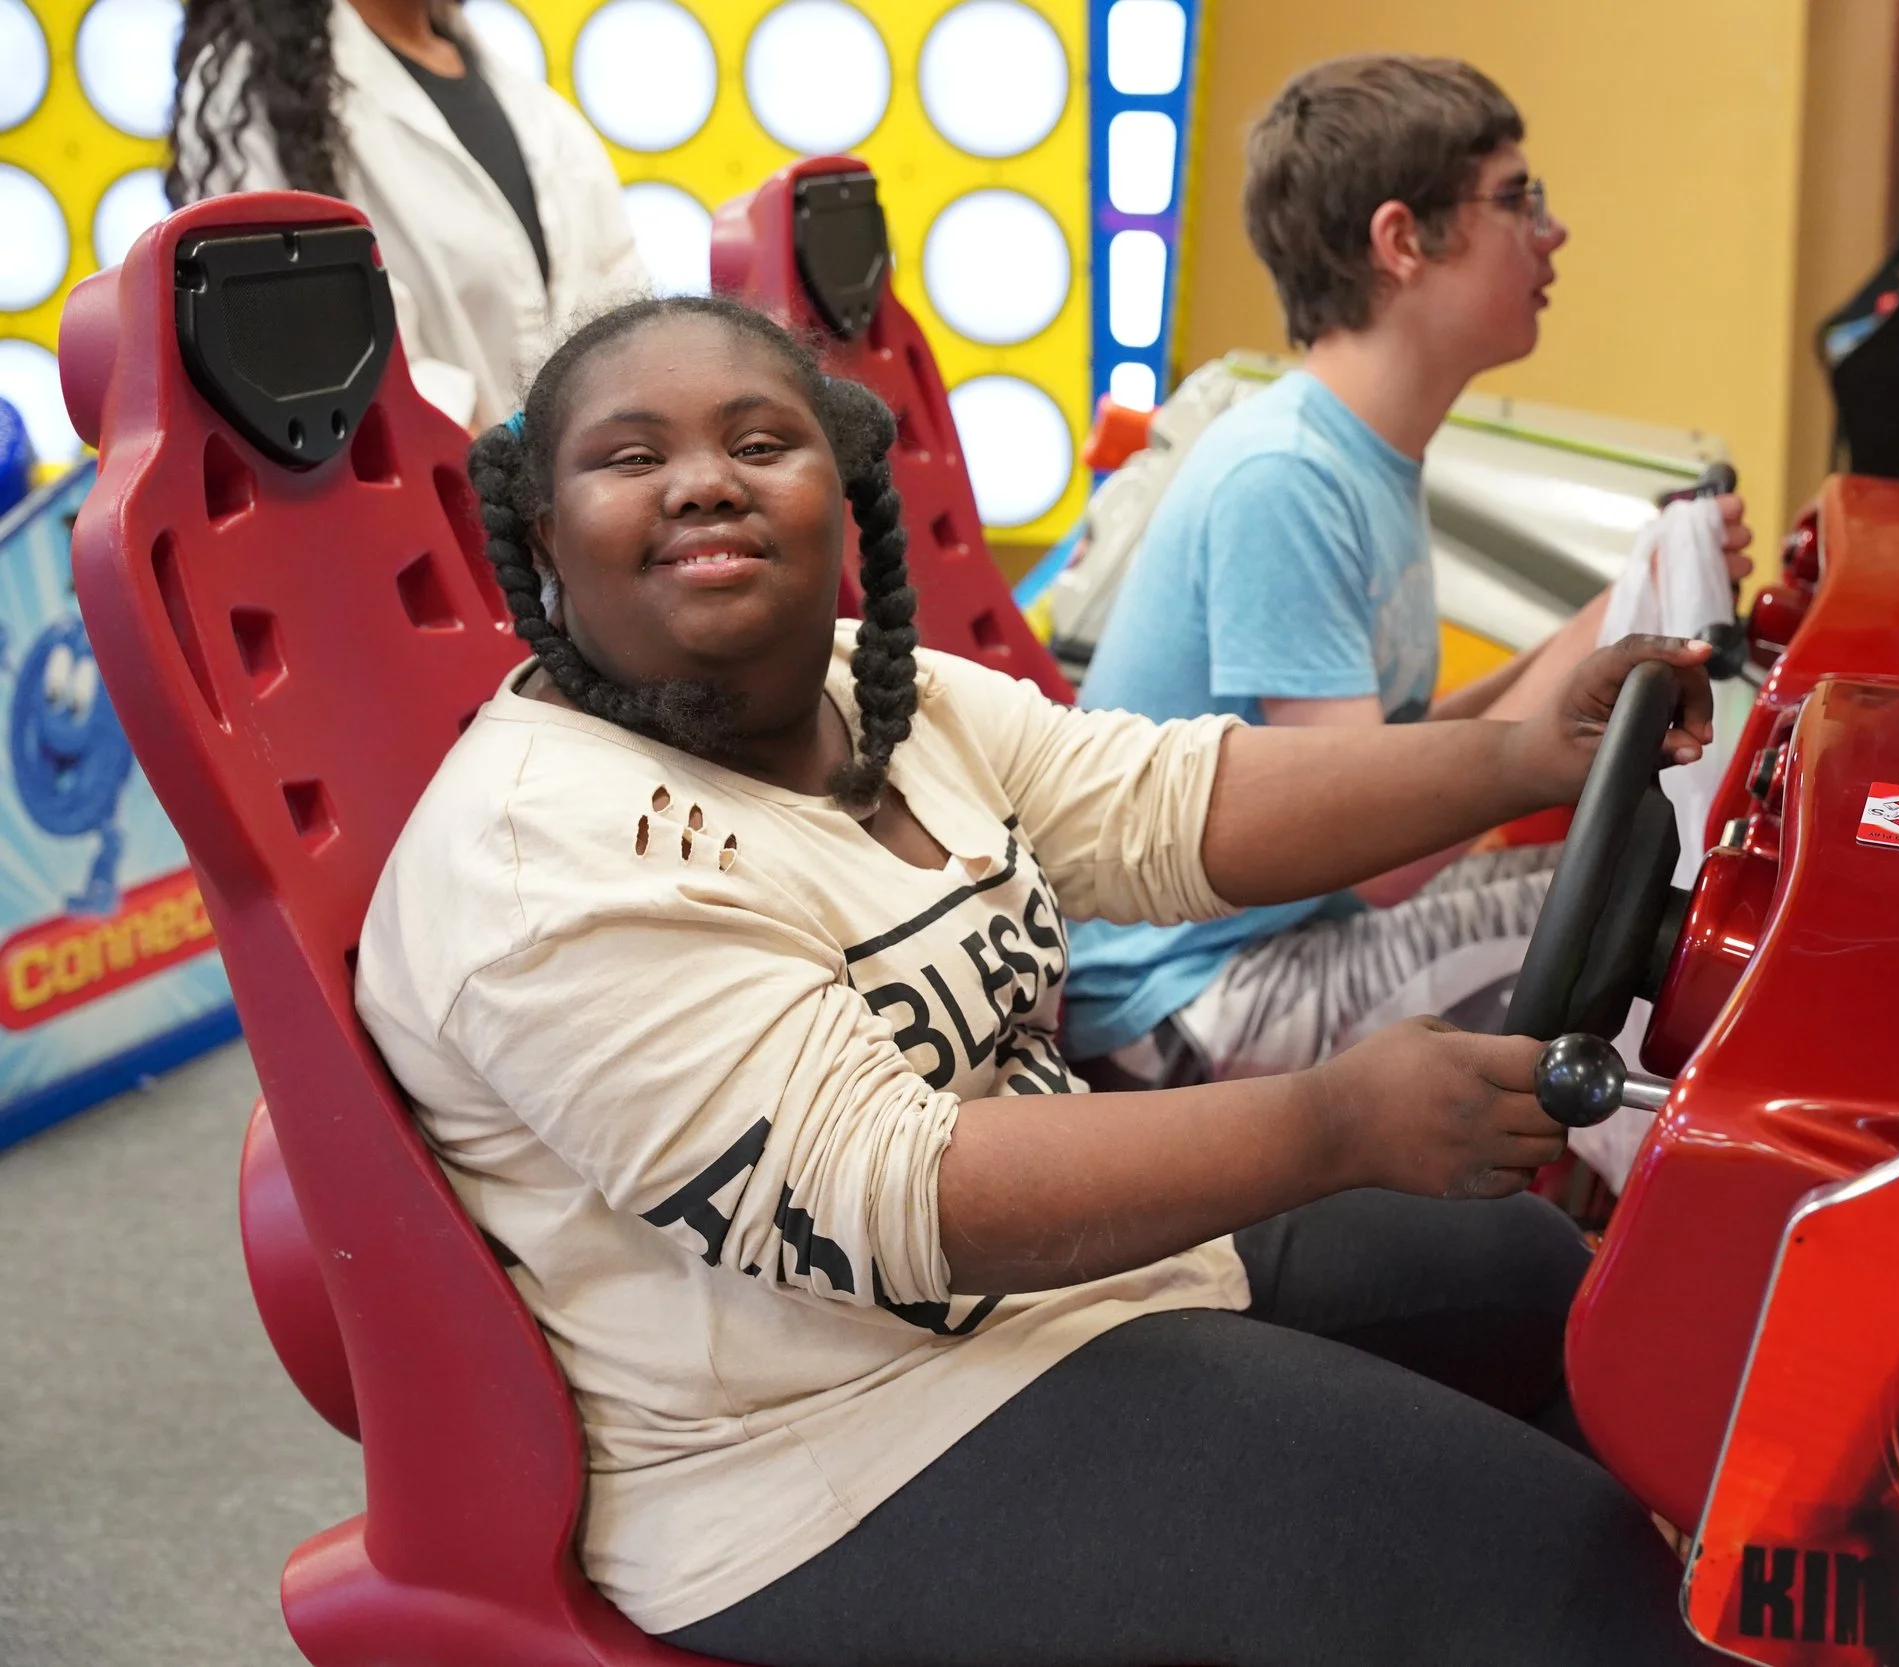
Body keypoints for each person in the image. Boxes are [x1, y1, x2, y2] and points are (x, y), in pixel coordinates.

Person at [353, 293, 1723, 1666]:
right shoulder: (545, 854)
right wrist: (1335, 1121)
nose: (706, 478)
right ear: (546, 534)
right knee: (1541, 1564)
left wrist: (1527, 754)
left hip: (1040, 1301)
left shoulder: (871, 690)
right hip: (821, 1446)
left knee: (1547, 1283)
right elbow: (887, 1196)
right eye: (632, 457)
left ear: (838, 489)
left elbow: (1171, 804)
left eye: (760, 440)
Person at [1065, 55, 1753, 1084]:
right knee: (1662, 927)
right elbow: (1377, 855)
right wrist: (1605, 621)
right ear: (1401, 242)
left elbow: (1393, 756)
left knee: (1644, 898)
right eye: (1518, 198)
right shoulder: (1284, 475)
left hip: (1280, 942)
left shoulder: (1360, 452)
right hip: (1183, 1001)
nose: (1551, 231)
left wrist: (1618, 610)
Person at [171, 0, 645, 431]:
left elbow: (619, 298)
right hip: (414, 508)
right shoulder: (250, 93)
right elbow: (305, 350)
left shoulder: (536, 109)